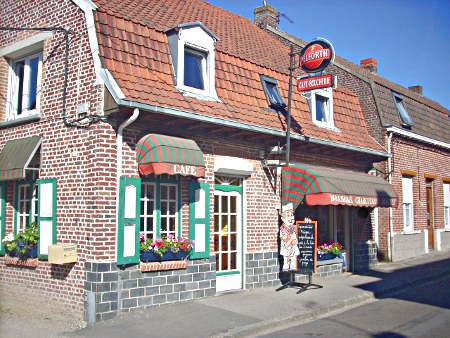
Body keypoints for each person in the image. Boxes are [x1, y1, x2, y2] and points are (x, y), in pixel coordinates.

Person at [279, 203, 300, 270]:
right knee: (286, 261)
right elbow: (285, 244)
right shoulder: (283, 229)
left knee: (293, 260)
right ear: (283, 218)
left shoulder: (293, 227)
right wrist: (292, 238)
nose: (291, 217)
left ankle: (292, 266)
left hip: (293, 247)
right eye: (288, 215)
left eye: (292, 215)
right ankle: (286, 266)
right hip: (287, 249)